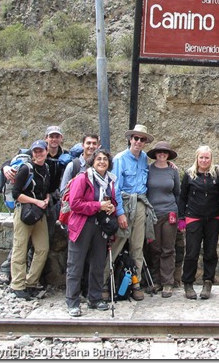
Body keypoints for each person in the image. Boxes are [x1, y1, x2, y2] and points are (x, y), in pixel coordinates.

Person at [104, 124, 157, 302]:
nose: (139, 142)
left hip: (140, 203)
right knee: (118, 243)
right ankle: (104, 283)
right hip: (124, 204)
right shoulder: (119, 159)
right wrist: (119, 213)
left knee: (137, 246)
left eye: (142, 139)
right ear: (130, 139)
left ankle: (136, 284)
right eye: (136, 138)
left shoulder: (144, 159)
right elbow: (115, 188)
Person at [65, 148, 116, 316]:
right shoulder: (83, 178)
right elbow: (75, 204)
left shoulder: (109, 181)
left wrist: (111, 206)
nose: (102, 162)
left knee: (98, 263)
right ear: (92, 162)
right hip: (82, 225)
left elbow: (111, 200)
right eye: (99, 159)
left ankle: (94, 298)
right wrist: (98, 206)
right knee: (76, 263)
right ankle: (72, 301)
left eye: (105, 159)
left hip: (99, 225)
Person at [179, 145, 219, 300]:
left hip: (213, 218)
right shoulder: (189, 175)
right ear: (197, 158)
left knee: (210, 252)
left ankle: (208, 281)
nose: (204, 160)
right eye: (201, 157)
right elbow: (182, 197)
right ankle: (188, 283)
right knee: (192, 252)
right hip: (194, 217)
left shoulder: (217, 175)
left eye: (207, 158)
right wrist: (181, 219)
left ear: (211, 159)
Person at [9, 140, 51, 300]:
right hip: (24, 212)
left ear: (46, 151)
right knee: (20, 248)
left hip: (39, 212)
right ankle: (17, 285)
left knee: (42, 249)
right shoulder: (26, 169)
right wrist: (36, 202)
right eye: (36, 151)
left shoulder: (45, 168)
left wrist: (46, 199)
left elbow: (46, 189)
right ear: (32, 153)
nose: (39, 154)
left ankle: (31, 282)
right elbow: (16, 194)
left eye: (41, 151)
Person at [146, 141, 181, 298]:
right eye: (159, 152)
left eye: (165, 152)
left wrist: (180, 216)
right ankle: (156, 281)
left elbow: (177, 193)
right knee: (154, 248)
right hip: (153, 213)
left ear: (168, 155)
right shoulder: (148, 170)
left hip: (169, 213)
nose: (162, 154)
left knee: (168, 248)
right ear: (155, 154)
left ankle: (168, 282)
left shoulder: (173, 172)